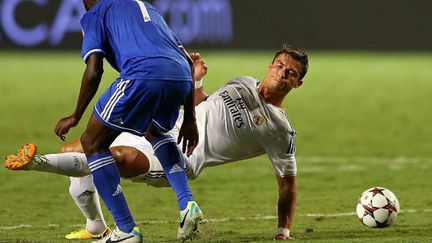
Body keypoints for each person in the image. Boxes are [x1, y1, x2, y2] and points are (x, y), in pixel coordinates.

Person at [6, 45, 309, 241]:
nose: (282, 73)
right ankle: (96, 226)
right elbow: (201, 106)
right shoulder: (242, 81)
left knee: (114, 157)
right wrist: (197, 80)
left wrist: (283, 232)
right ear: (270, 64)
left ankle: (35, 163)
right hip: (158, 128)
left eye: (290, 73)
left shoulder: (280, 130)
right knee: (75, 149)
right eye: (280, 65)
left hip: (182, 158)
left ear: (297, 84)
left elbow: (288, 184)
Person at [51, 0, 203, 242]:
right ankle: (188, 204)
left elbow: (94, 70)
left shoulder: (95, 14)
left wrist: (75, 116)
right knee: (154, 130)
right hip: (180, 77)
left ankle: (126, 230)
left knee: (92, 143)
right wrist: (190, 119)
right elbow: (186, 61)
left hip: (142, 75)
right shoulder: (146, 7)